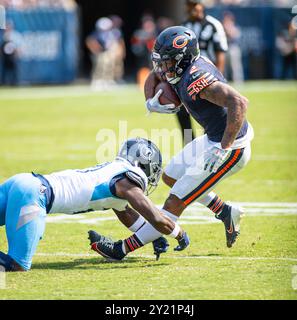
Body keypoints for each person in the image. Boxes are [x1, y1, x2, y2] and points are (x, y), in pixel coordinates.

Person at [93, 26, 254, 261]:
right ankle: (224, 211)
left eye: (167, 62)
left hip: (231, 147)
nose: (162, 67)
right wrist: (150, 100)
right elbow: (154, 75)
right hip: (212, 137)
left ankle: (121, 250)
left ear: (182, 59)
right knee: (171, 176)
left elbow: (239, 102)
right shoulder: (179, 69)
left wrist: (224, 147)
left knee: (173, 203)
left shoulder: (197, 78)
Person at [0, 138, 190, 272]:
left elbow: (128, 214)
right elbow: (157, 218)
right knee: (18, 264)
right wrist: (179, 233)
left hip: (23, 182)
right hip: (34, 197)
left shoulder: (116, 175)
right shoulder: (128, 182)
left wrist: (154, 237)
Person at [177, 0, 229, 145]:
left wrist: (217, 80)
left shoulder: (213, 25)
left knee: (208, 115)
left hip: (206, 77)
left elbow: (220, 53)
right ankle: (189, 146)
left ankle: (210, 145)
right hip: (186, 78)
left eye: (194, 4)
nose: (192, 8)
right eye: (189, 5)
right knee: (182, 113)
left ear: (202, 5)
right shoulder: (184, 26)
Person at [86, 17, 119, 90]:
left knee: (109, 67)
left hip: (108, 52)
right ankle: (97, 81)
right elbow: (90, 41)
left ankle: (108, 80)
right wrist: (95, 50)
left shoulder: (111, 33)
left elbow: (114, 42)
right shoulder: (96, 33)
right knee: (99, 67)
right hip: (100, 52)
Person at [223, 11, 244, 83]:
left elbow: (235, 36)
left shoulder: (235, 27)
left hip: (233, 48)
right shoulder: (222, 27)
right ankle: (224, 81)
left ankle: (238, 82)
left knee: (235, 67)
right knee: (224, 67)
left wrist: (228, 29)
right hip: (225, 48)